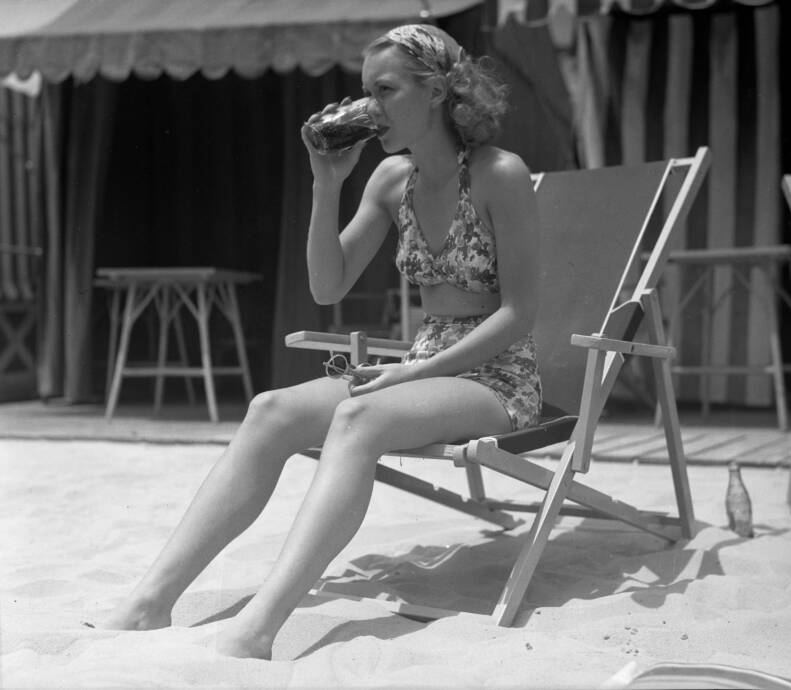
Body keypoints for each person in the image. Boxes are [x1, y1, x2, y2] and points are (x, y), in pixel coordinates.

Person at [98, 23, 542, 660]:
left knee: (359, 418)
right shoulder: (391, 180)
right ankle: (150, 603)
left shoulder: (500, 174)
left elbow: (520, 314)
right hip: (423, 365)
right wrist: (325, 183)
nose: (368, 106)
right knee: (270, 409)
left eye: (385, 90)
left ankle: (258, 627)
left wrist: (412, 375)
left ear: (437, 90)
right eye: (365, 91)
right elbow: (327, 285)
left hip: (497, 377)